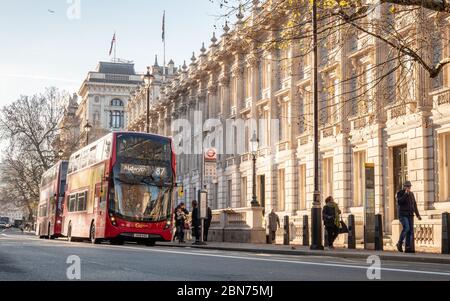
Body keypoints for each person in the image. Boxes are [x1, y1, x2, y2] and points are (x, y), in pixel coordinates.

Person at [396, 181, 422, 253]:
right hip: (403, 215)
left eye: (409, 186)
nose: (409, 188)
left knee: (410, 231)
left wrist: (418, 215)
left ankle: (407, 247)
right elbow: (399, 202)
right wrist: (405, 194)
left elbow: (414, 205)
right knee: (406, 228)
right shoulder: (400, 193)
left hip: (410, 215)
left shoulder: (411, 194)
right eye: (407, 186)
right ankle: (400, 243)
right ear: (404, 186)